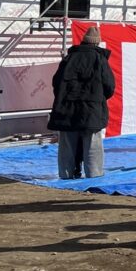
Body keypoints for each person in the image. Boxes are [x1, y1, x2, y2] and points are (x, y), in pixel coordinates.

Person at [48, 25, 116, 179]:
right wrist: (98, 99)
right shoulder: (100, 60)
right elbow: (109, 86)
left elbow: (56, 82)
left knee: (67, 145)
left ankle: (65, 176)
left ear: (84, 41)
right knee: (92, 145)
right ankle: (94, 175)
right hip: (92, 109)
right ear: (97, 43)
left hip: (66, 108)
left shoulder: (69, 58)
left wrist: (64, 98)